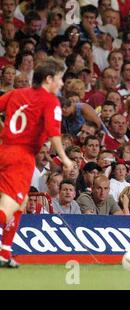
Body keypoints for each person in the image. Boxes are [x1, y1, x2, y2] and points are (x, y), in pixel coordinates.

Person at [0, 59, 74, 268]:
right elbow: (54, 133)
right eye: (59, 79)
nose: (61, 84)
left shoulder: (17, 93)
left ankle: (5, 252)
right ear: (48, 78)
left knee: (20, 205)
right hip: (21, 157)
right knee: (8, 206)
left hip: (5, 151)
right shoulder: (50, 101)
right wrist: (65, 158)